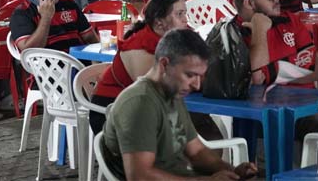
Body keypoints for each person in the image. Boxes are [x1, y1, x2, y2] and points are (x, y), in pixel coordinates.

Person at [101, 29, 258, 181]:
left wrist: (231, 171)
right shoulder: (140, 103)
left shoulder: (173, 95)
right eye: (190, 75)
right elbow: (140, 176)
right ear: (164, 64)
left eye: (200, 77)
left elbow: (196, 151)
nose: (196, 85)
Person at [89, 0, 189, 133]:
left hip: (143, 109)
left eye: (185, 13)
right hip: (111, 112)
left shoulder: (172, 39)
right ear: (159, 22)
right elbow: (150, 93)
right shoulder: (140, 46)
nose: (186, 19)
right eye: (179, 14)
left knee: (205, 130)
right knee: (197, 135)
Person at [233, 0, 318, 86]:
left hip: (304, 101)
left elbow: (317, 70)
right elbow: (256, 81)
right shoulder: (233, 34)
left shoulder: (289, 19)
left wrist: (271, 73)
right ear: (249, 3)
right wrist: (260, 30)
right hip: (264, 102)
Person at [10, 0, 98, 55]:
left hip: (79, 60)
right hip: (48, 65)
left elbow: (89, 37)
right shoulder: (22, 13)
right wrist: (46, 18)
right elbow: (29, 51)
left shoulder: (69, 4)